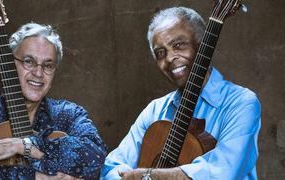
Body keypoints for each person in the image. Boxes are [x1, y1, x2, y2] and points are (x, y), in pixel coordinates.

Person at [101, 6, 261, 180]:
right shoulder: (155, 110)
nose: (169, 58)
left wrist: (146, 175)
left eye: (178, 45)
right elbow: (111, 167)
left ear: (202, 46)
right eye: (160, 53)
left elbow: (221, 172)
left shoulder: (241, 103)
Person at [0, 22, 107, 179]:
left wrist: (22, 145)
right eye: (28, 61)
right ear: (11, 64)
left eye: (48, 65)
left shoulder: (69, 114)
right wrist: (38, 176)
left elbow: (95, 158)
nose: (38, 73)